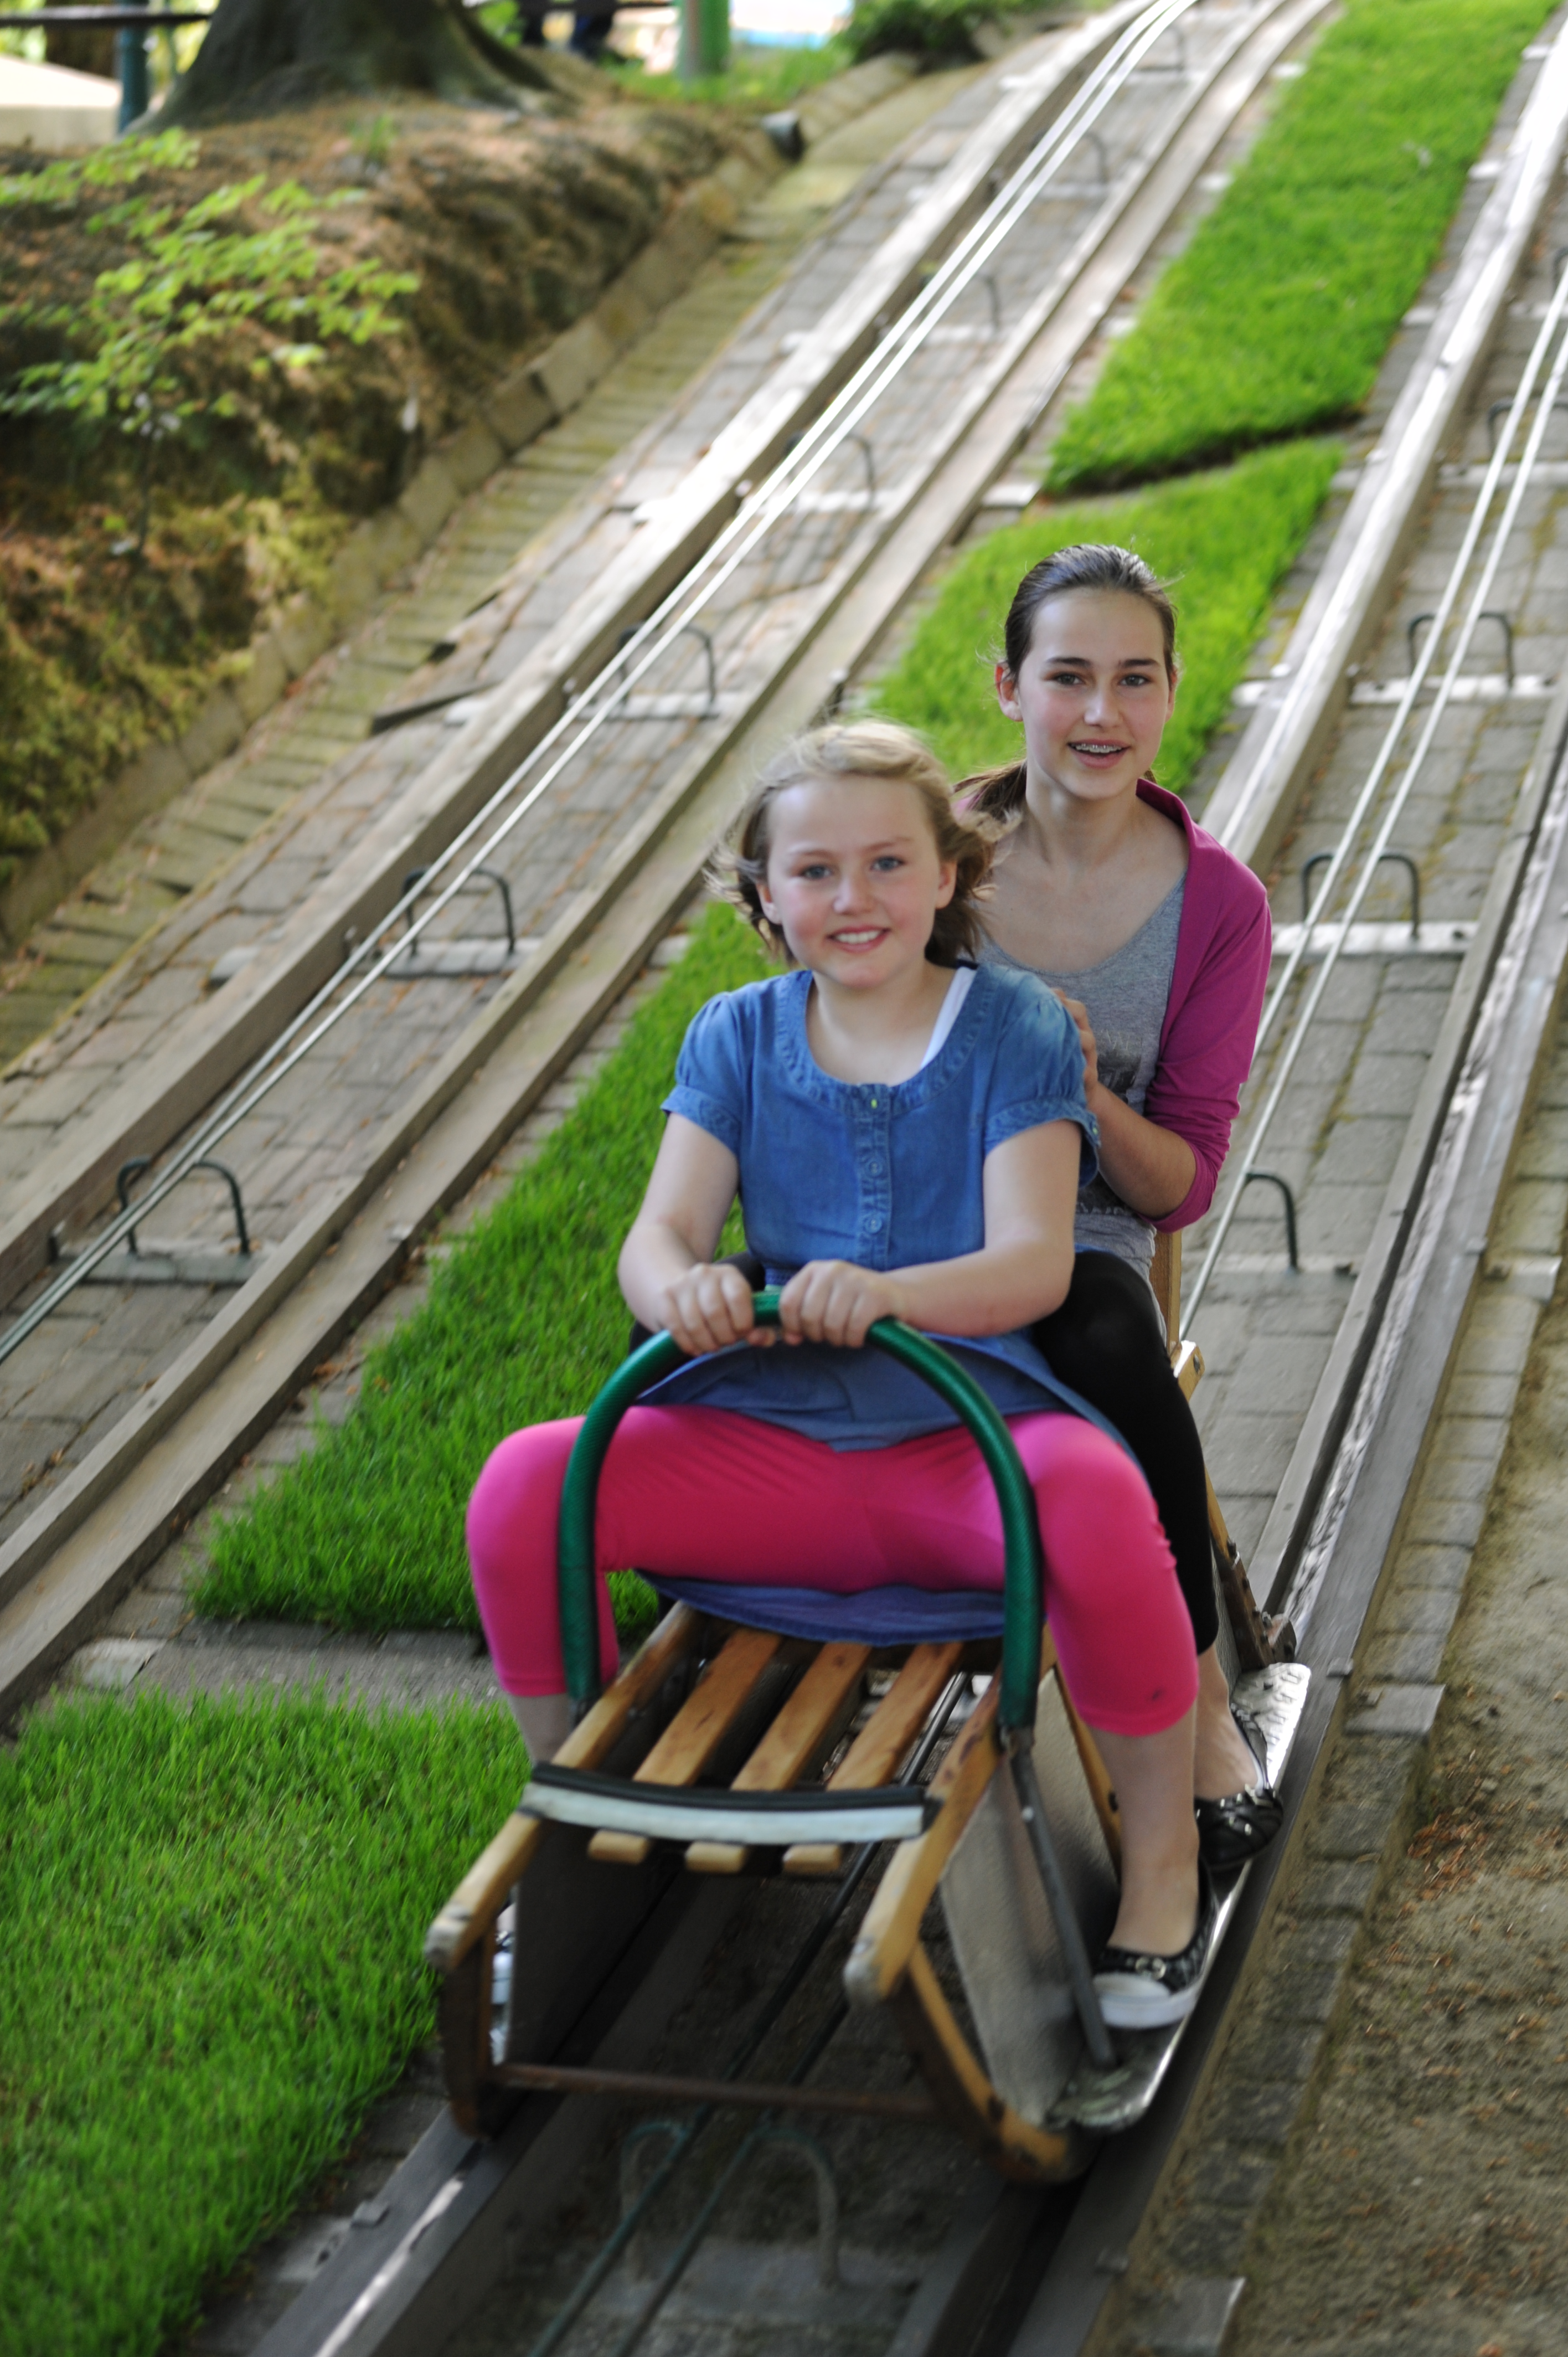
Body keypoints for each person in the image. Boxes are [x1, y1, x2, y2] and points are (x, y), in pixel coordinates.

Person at [467, 719, 1216, 2027]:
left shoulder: (1015, 1032)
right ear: (764, 896)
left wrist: (887, 1297)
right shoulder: (737, 1036)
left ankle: (1164, 1871)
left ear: (948, 877)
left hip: (963, 1438)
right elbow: (662, 1231)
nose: (851, 899)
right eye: (813, 872)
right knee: (529, 1487)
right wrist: (681, 1288)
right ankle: (591, 1813)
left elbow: (1036, 1263)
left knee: (1099, 1495)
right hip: (784, 1446)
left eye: (885, 865)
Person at [960, 543, 1280, 1870]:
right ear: (1008, 688)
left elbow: (1183, 1182)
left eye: (1133, 680)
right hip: (916, 1204)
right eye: (1069, 677)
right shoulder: (933, 859)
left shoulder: (1218, 905)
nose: (1102, 713)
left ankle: (1200, 1704)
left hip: (1081, 1235)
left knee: (1101, 1332)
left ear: (1168, 693)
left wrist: (1081, 1087)